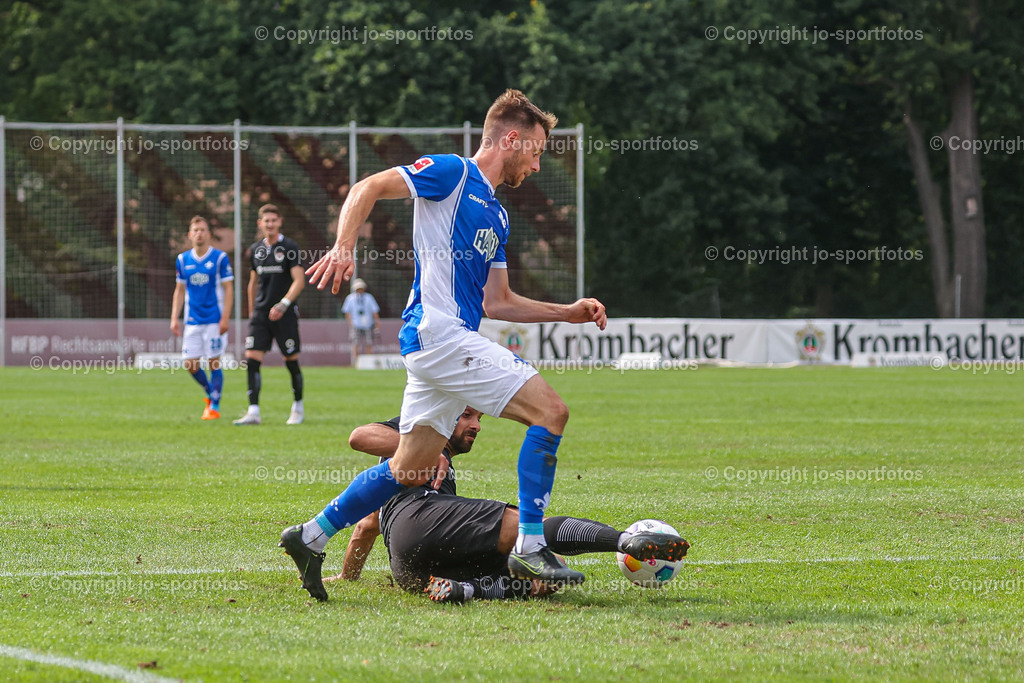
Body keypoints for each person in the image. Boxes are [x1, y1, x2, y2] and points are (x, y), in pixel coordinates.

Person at [281, 89, 608, 601]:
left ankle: (310, 535)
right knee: (551, 412)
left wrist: (566, 313)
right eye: (537, 151)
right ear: (511, 138)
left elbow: (498, 301)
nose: (538, 165)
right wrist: (344, 246)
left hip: (444, 343)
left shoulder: (498, 216)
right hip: (439, 334)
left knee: (408, 468)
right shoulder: (453, 173)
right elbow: (368, 186)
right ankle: (530, 544)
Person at [315, 409, 690, 603]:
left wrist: (349, 576)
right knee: (528, 530)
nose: (476, 425)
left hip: (409, 570)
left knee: (548, 574)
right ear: (443, 414)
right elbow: (359, 436)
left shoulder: (399, 475)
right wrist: (422, 448)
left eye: (479, 418)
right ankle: (625, 540)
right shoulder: (420, 428)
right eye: (466, 415)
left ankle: (468, 590)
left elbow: (367, 526)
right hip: (422, 517)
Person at [234, 204, 306, 426]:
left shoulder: (290, 247)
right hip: (261, 315)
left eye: (274, 220)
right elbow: (253, 283)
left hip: (285, 314)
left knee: (290, 360)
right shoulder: (256, 249)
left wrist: (284, 304)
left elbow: (299, 281)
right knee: (252, 360)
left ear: (280, 222)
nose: (270, 224)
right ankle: (253, 411)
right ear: (260, 223)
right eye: (267, 221)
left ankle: (298, 407)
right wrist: (252, 311)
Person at [170, 215, 233, 420]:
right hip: (192, 320)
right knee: (190, 364)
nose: (199, 234)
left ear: (209, 234)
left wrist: (225, 318)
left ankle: (214, 406)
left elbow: (228, 288)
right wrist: (174, 317)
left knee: (214, 362)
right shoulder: (183, 260)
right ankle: (210, 391)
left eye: (203, 230)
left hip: (214, 320)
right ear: (190, 235)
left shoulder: (220, 258)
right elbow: (180, 290)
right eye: (195, 230)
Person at [341, 278, 380, 362]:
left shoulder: (369, 298)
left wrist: (377, 324)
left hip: (368, 324)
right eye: (358, 288)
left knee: (369, 343)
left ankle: (369, 362)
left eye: (361, 288)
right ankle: (356, 362)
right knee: (355, 344)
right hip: (356, 325)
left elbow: (375, 311)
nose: (360, 290)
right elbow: (347, 312)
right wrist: (351, 323)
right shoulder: (350, 298)